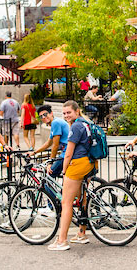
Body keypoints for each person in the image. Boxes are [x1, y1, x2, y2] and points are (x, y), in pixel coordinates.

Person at [47, 101, 95, 251]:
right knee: (82, 199)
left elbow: (68, 153)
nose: (66, 115)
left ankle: (62, 241)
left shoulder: (75, 126)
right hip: (89, 162)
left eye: (69, 112)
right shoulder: (86, 123)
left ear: (77, 111)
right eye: (64, 113)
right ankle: (82, 233)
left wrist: (64, 170)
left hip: (78, 164)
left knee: (66, 203)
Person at [28, 105, 69, 178]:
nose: (43, 117)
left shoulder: (55, 123)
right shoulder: (55, 123)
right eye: (41, 116)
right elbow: (48, 143)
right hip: (66, 153)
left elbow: (55, 145)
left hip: (67, 153)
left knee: (48, 176)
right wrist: (34, 152)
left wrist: (50, 162)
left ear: (51, 113)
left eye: (45, 114)